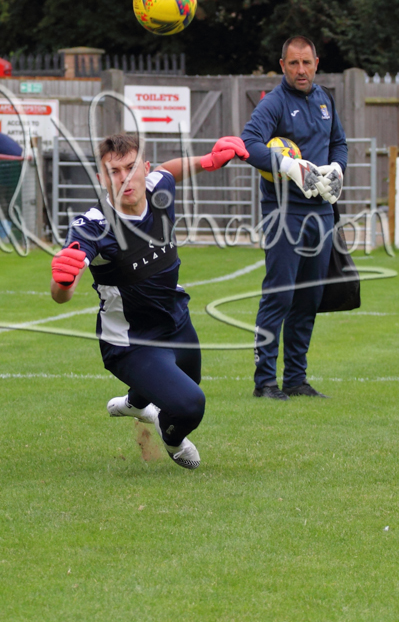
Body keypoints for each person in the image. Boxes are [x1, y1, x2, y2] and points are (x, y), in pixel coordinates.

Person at [49, 132, 250, 469]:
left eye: (131, 168)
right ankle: (171, 439)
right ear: (101, 179)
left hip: (175, 320)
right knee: (189, 405)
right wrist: (62, 282)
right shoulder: (93, 226)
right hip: (131, 341)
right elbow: (62, 294)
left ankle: (135, 403)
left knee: (189, 381)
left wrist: (207, 162)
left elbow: (169, 170)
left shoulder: (158, 189)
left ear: (145, 168)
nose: (124, 178)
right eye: (113, 172)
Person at [241, 35, 347, 400]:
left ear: (316, 63)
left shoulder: (325, 100)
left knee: (309, 298)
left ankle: (296, 380)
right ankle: (265, 382)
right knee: (280, 295)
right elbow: (248, 145)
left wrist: (338, 168)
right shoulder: (273, 103)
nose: (301, 70)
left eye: (306, 62)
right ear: (282, 65)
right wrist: (287, 166)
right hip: (283, 213)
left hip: (321, 213)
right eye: (293, 63)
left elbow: (339, 143)